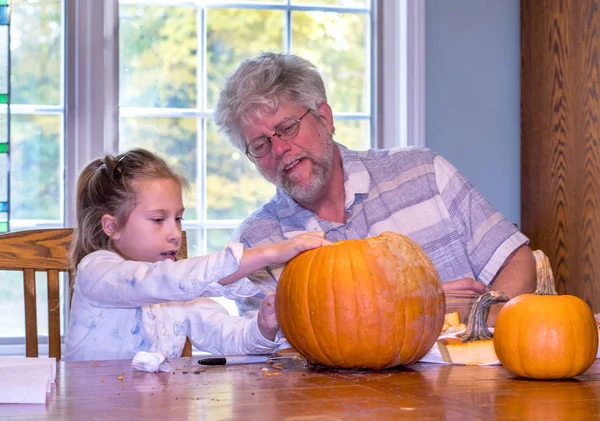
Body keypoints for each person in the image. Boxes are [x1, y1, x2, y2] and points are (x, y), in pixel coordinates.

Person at [214, 52, 537, 325]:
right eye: (260, 145)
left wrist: (486, 321)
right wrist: (423, 307)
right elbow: (277, 357)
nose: (280, 149)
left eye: (287, 127)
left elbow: (515, 260)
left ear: (324, 118)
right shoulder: (255, 245)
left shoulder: (423, 171)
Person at [63, 148, 327, 361]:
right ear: (112, 226)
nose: (174, 233)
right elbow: (161, 281)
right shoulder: (96, 271)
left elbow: (227, 337)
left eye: (178, 218)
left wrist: (263, 327)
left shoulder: (180, 292)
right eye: (158, 219)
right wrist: (270, 252)